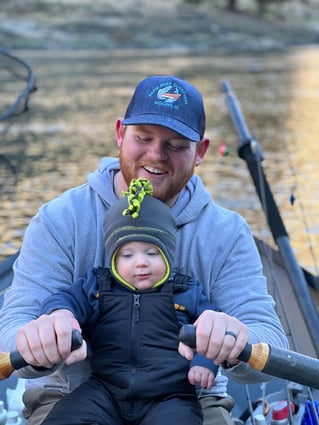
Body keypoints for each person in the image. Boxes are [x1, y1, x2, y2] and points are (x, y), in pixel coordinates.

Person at [0, 75, 288, 425]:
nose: (156, 155)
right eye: (143, 138)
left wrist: (233, 338)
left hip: (191, 401)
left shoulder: (227, 233)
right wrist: (41, 335)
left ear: (201, 152)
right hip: (68, 396)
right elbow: (10, 332)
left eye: (177, 144)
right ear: (120, 133)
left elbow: (271, 345)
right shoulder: (59, 219)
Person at [23, 177, 219, 425]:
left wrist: (204, 363)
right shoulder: (97, 286)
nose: (140, 262)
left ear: (168, 255)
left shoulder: (185, 291)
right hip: (105, 389)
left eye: (152, 253)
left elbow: (212, 330)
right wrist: (61, 314)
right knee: (65, 418)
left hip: (171, 395)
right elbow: (64, 299)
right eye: (127, 255)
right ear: (114, 259)